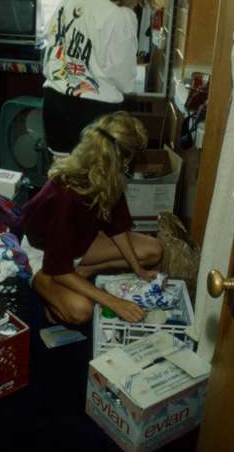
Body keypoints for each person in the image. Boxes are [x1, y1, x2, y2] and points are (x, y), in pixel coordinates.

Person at [20, 111, 163, 325]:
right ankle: (49, 295)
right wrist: (115, 302)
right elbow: (58, 270)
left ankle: (83, 272)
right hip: (42, 256)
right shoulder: (66, 195)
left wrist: (138, 270)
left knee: (154, 250)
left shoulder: (106, 175)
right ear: (120, 160)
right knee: (81, 310)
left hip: (78, 244)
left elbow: (117, 228)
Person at [42, 0, 170, 156]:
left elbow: (51, 33)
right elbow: (124, 80)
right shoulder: (123, 16)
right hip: (93, 116)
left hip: (54, 104)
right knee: (96, 185)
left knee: (61, 180)